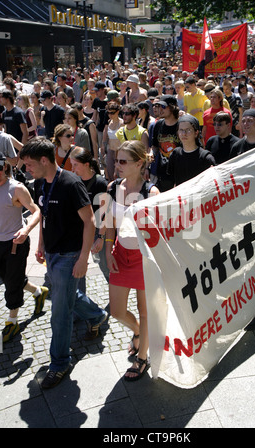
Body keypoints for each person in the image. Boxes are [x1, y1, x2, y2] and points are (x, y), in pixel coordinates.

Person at [20, 137, 108, 389]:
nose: (26, 168)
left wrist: (82, 258)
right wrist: (40, 246)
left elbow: (90, 221)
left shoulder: (71, 183)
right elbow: (45, 215)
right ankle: (97, 315)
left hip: (70, 256)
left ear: (44, 160)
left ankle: (59, 363)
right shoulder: (40, 183)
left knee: (59, 312)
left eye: (29, 164)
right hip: (52, 253)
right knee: (64, 294)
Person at [105, 140, 160, 381]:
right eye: (117, 160)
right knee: (116, 310)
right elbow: (108, 222)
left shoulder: (152, 192)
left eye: (123, 161)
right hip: (119, 253)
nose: (117, 165)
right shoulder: (112, 187)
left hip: (144, 257)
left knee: (145, 311)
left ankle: (142, 358)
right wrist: (107, 250)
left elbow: (160, 231)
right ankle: (137, 332)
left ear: (139, 163)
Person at [0, 151, 48, 343]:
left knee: (11, 283)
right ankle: (38, 291)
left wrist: (26, 230)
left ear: (5, 167)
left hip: (15, 244)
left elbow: (36, 211)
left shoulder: (16, 188)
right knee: (11, 278)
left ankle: (12, 321)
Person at [70, 146, 109, 284]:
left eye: (76, 165)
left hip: (98, 232)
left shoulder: (100, 183)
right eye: (71, 165)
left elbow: (106, 213)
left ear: (87, 165)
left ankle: (116, 298)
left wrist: (100, 237)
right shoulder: (74, 182)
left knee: (105, 267)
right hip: (80, 231)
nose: (72, 169)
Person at [167, 115, 216, 186]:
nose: (184, 134)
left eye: (188, 130)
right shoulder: (175, 154)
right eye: (181, 130)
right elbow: (171, 181)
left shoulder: (206, 158)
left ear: (196, 133)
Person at [152, 95, 181, 191]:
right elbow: (155, 146)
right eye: (159, 106)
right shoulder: (158, 124)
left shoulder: (182, 125)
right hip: (163, 172)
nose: (160, 109)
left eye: (163, 107)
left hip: (179, 173)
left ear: (172, 108)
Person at [101, 102, 123, 181]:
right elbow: (105, 132)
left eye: (112, 113)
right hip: (110, 150)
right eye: (108, 113)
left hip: (119, 151)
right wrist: (103, 145)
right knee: (110, 173)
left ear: (117, 112)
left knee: (118, 174)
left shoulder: (122, 123)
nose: (110, 115)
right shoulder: (109, 122)